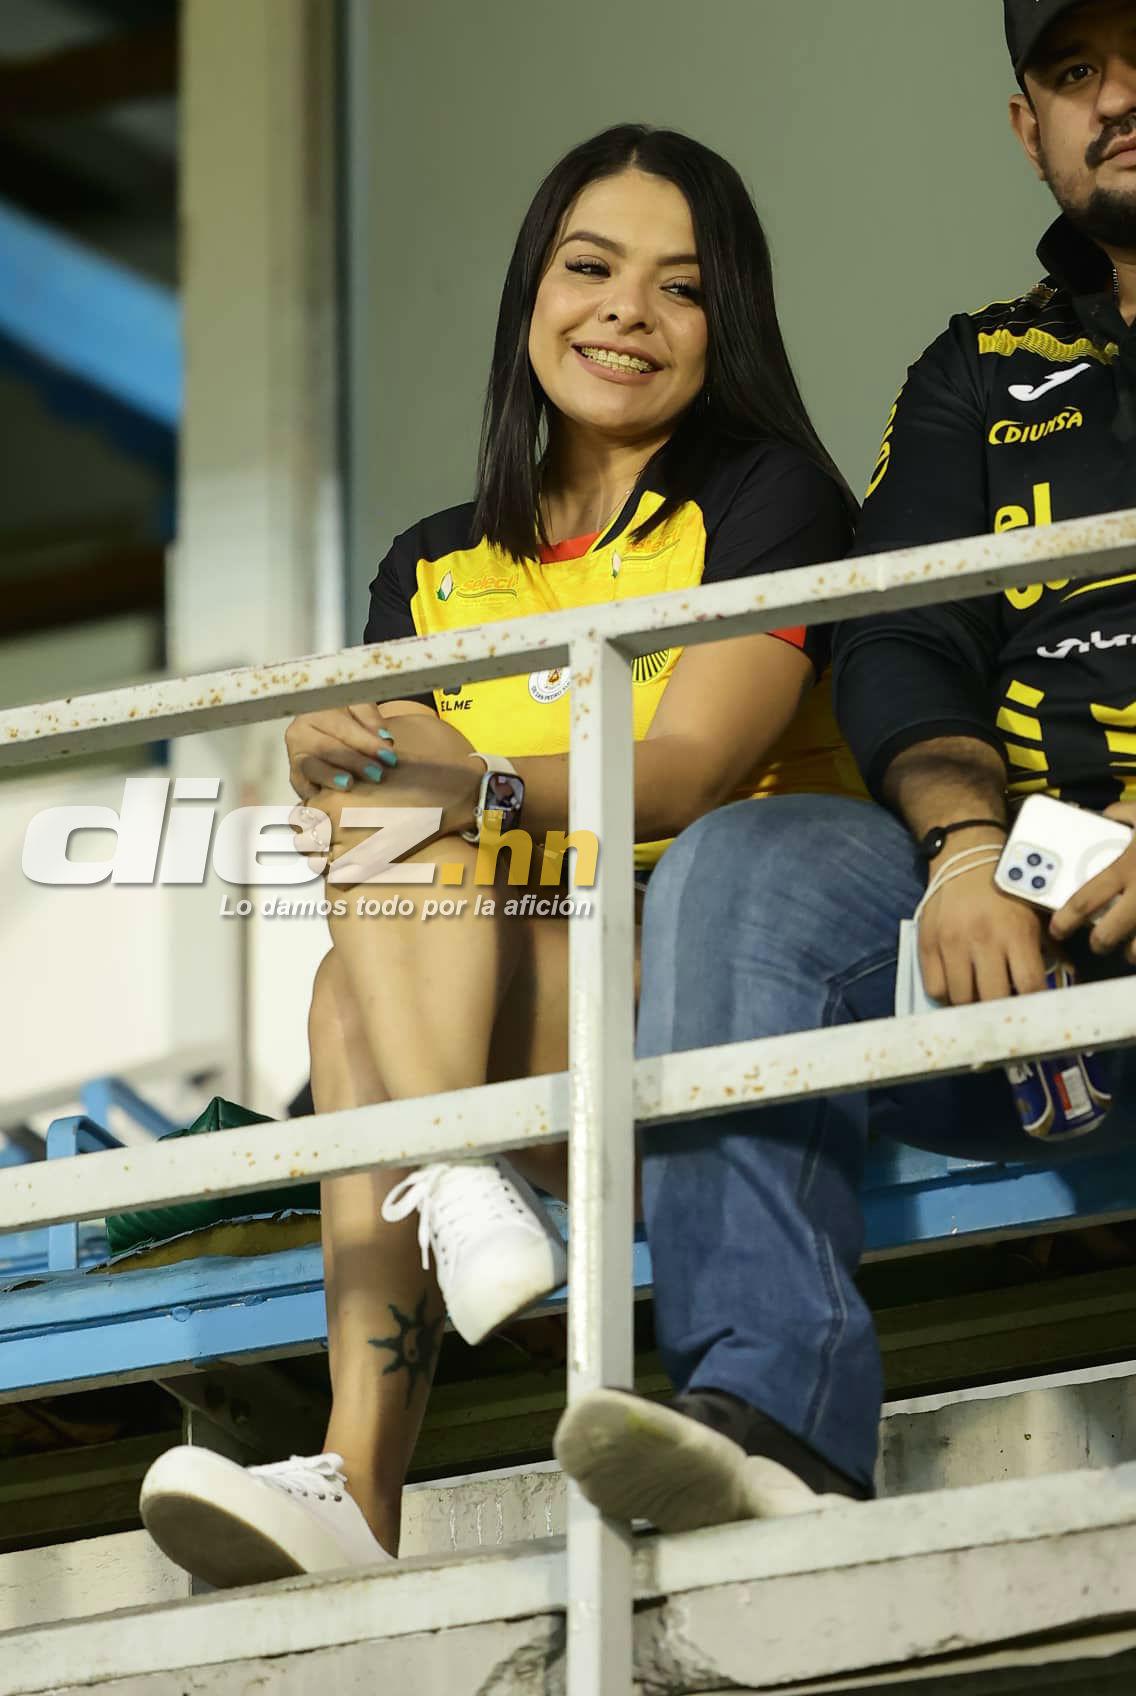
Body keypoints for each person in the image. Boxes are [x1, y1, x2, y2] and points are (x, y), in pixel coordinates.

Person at [137, 123, 862, 1587]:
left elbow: (692, 766)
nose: (625, 314)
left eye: (680, 287)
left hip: (705, 989)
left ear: (730, 321)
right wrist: (326, 748)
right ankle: (402, 1339)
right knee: (354, 952)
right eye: (590, 268)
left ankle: (375, 1429)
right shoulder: (434, 560)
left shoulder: (770, 496)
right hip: (515, 1006)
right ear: (532, 289)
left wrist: (462, 783)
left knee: (377, 933)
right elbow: (383, 822)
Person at [555, 0, 1136, 1534]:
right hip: (1032, 876)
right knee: (750, 872)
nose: (1114, 97)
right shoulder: (974, 370)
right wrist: (966, 848)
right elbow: (899, 643)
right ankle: (775, 1422)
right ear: (1029, 127)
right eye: (1074, 73)